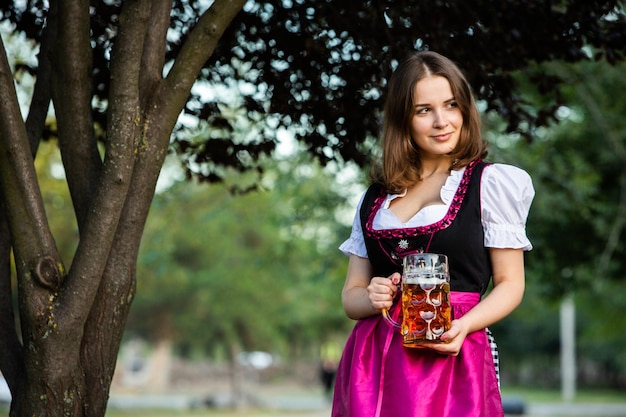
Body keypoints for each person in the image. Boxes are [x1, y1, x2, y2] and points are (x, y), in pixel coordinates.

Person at [331, 51, 534, 417]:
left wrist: (465, 326)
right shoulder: (374, 197)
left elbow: (510, 284)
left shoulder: (489, 184)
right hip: (374, 361)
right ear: (402, 120)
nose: (442, 121)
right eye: (424, 110)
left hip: (452, 351)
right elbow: (351, 299)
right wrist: (373, 296)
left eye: (451, 105)